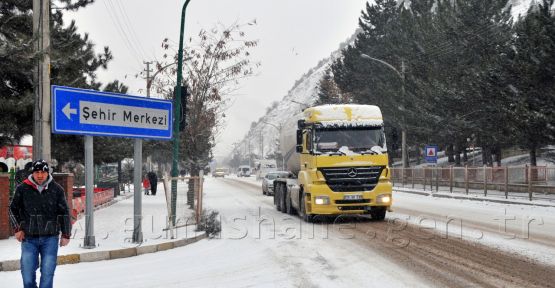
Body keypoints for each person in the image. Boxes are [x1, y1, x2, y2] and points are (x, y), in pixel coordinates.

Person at [9, 159, 71, 288]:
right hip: (29, 239)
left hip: (50, 238)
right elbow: (12, 209)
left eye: (43, 172)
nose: (40, 175)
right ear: (33, 173)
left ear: (48, 173)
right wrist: (17, 228)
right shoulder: (23, 188)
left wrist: (66, 234)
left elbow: (64, 212)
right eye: (37, 172)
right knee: (27, 274)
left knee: (47, 273)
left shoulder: (56, 189)